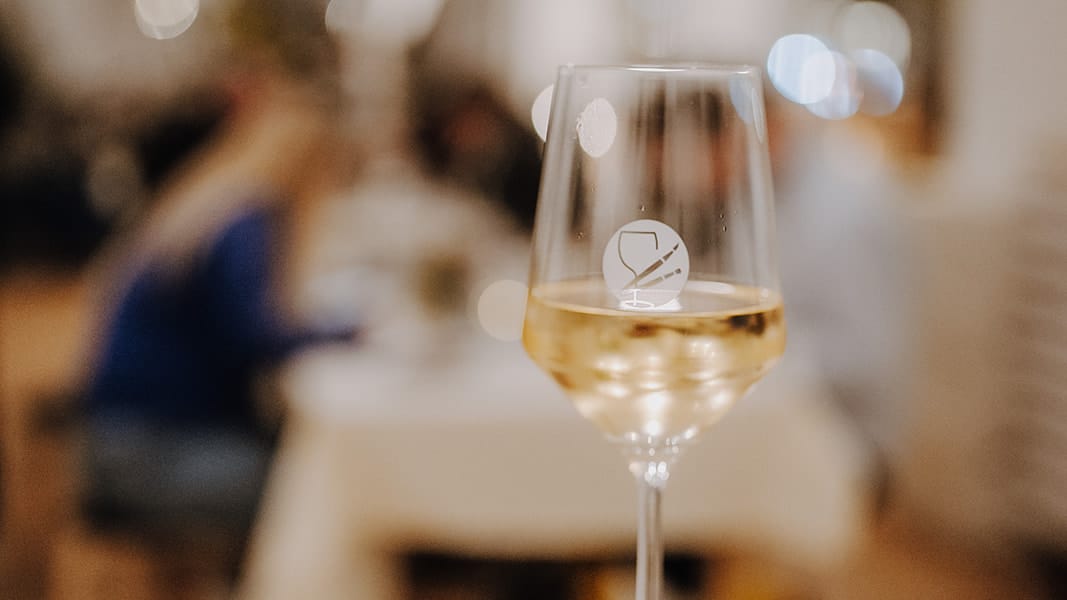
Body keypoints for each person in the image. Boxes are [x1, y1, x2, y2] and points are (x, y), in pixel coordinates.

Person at [79, 0, 354, 569]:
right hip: (145, 455)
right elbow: (255, 335)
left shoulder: (211, 204)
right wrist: (348, 330)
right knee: (323, 495)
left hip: (127, 439)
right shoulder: (246, 222)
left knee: (310, 463)